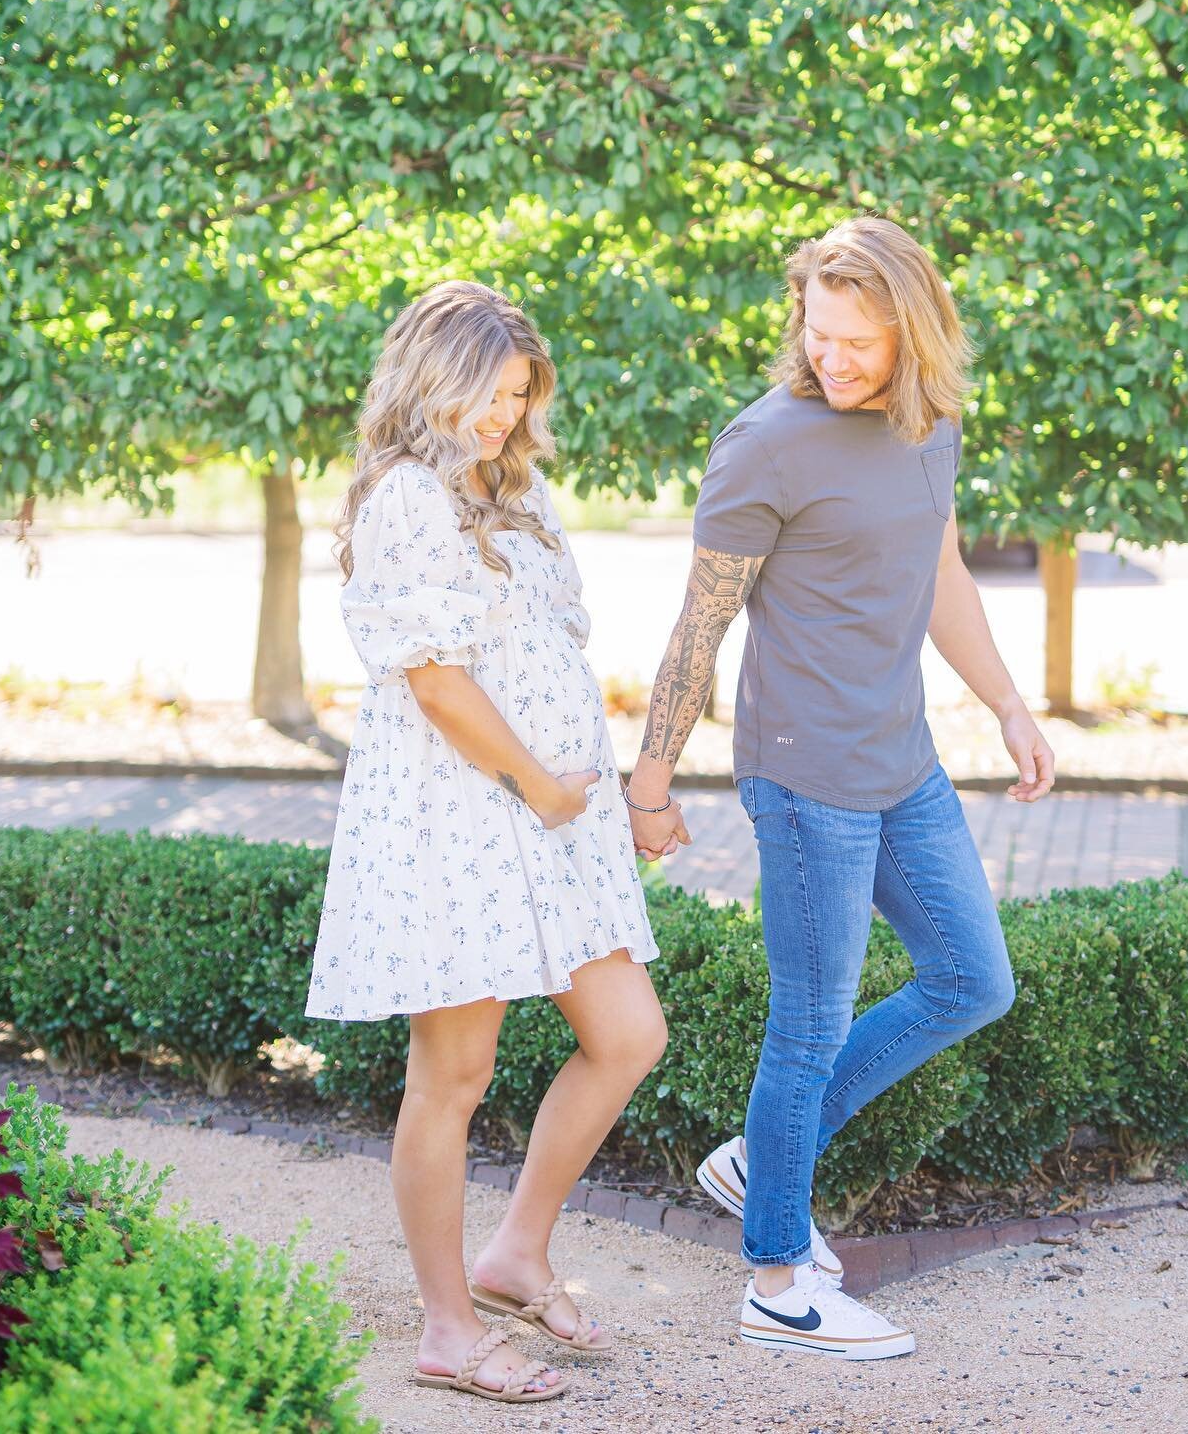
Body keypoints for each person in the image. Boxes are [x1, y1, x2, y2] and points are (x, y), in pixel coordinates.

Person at [624, 217, 1055, 1362]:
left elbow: (941, 572)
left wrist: (1009, 705)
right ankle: (777, 1280)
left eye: (859, 340)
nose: (834, 358)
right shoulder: (764, 444)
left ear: (913, 333)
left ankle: (767, 1161)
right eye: (820, 334)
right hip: (805, 776)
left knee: (974, 978)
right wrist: (650, 783)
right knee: (807, 1029)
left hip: (903, 762)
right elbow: (700, 624)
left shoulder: (929, 425)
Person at [306, 281, 665, 1407]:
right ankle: (449, 1327)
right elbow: (436, 681)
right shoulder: (408, 497)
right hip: (461, 819)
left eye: (519, 395)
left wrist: (593, 798)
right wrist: (539, 788)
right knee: (452, 1077)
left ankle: (515, 1253)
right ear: (434, 381)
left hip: (552, 818)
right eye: (491, 394)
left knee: (628, 1034)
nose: (506, 415)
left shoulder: (513, 489)